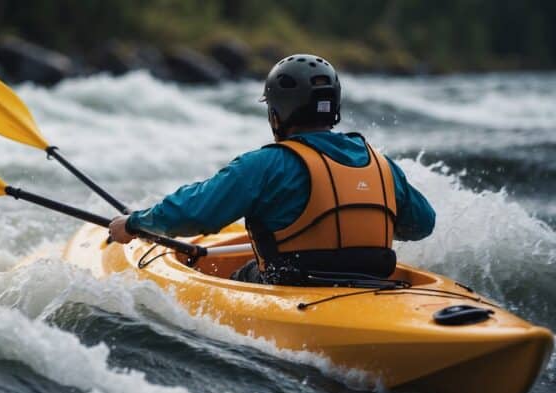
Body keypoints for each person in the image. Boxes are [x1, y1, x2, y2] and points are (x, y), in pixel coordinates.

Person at [109, 54, 435, 285]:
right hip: (374, 285)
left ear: (277, 113)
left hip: (295, 288)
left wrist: (136, 223)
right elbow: (422, 224)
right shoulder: (380, 164)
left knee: (239, 275)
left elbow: (197, 213)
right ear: (333, 107)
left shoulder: (266, 164)